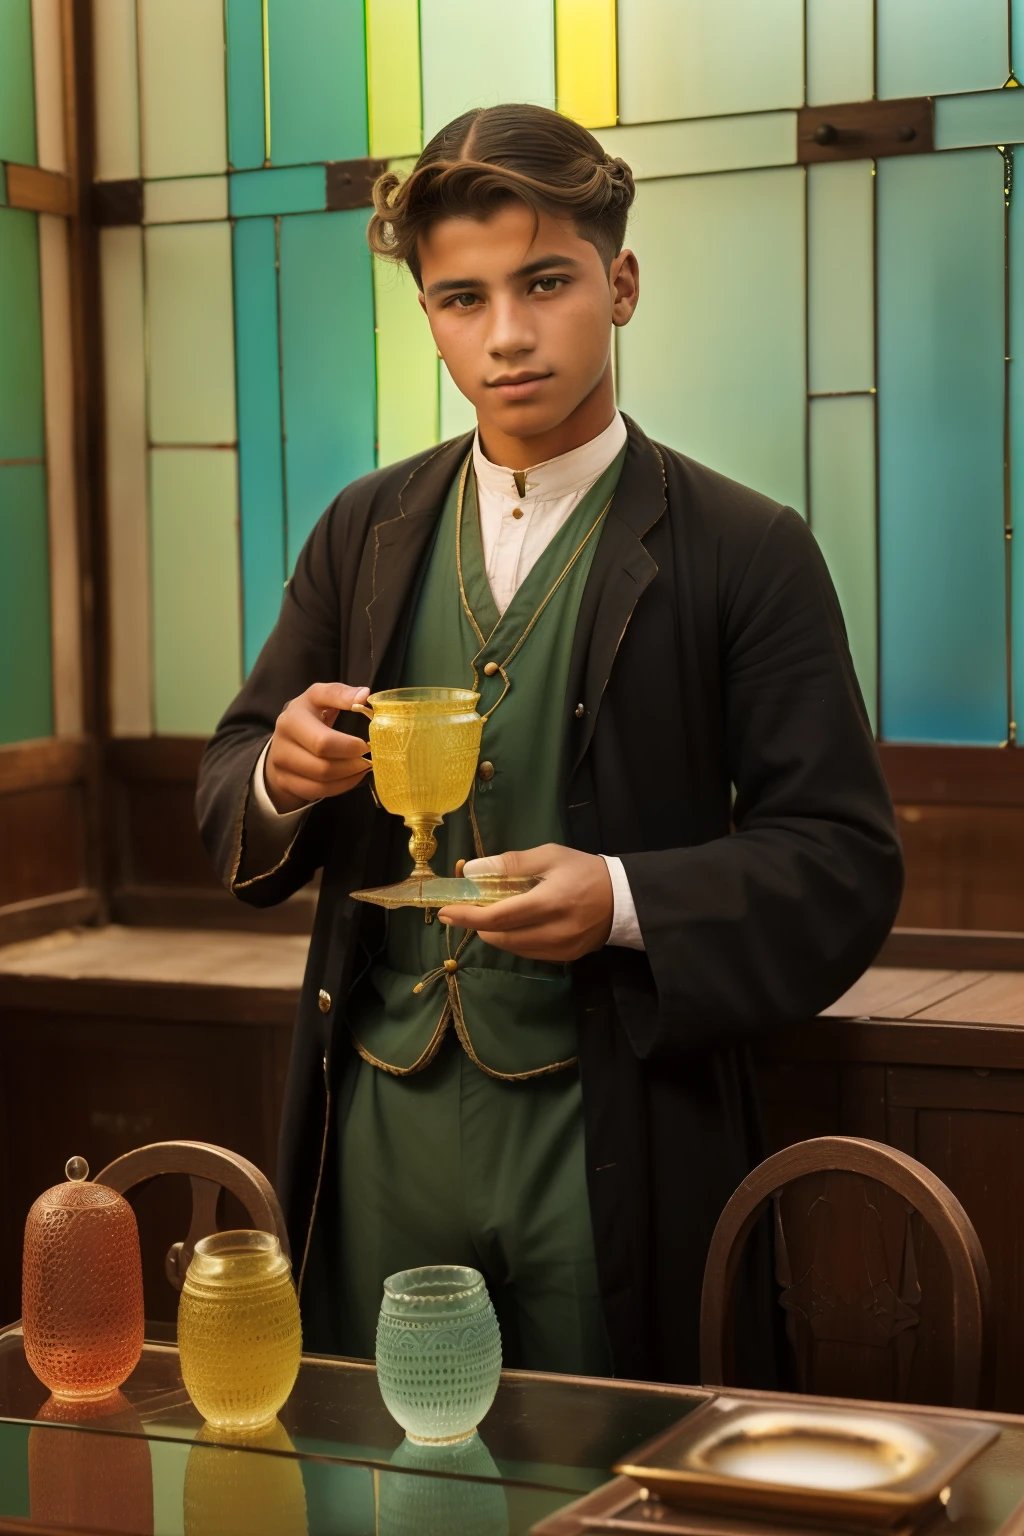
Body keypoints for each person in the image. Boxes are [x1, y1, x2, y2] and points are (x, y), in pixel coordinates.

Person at [197, 102, 903, 1384]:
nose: (506, 335)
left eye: (545, 283)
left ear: (618, 284)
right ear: (426, 312)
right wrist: (276, 774)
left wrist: (625, 900)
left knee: (613, 1470)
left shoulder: (746, 550)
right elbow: (234, 773)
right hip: (377, 1117)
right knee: (379, 1481)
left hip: (611, 1124)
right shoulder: (363, 530)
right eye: (460, 299)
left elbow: (844, 861)